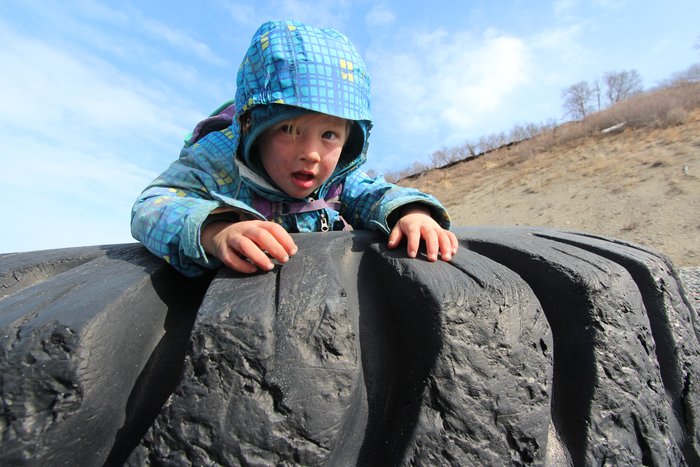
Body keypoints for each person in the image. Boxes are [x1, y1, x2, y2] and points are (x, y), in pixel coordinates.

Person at [131, 19, 458, 277]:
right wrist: (215, 230)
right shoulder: (219, 161)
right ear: (254, 129)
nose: (312, 153)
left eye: (329, 135)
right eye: (289, 129)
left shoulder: (338, 180)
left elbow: (377, 195)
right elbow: (152, 204)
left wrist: (412, 214)